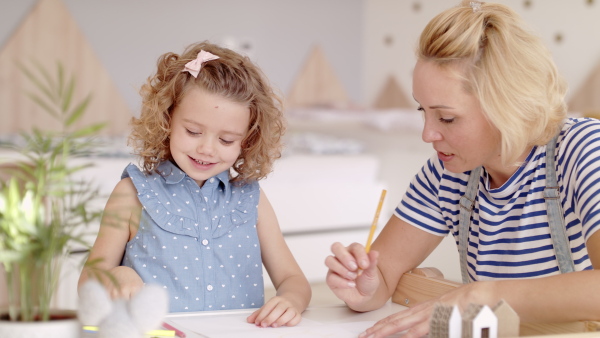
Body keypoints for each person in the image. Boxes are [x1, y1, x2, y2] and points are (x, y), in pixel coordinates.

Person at [325, 1, 600, 337]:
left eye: (447, 118)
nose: (428, 134)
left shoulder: (584, 151)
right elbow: (382, 275)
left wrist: (485, 294)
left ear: (507, 104)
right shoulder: (447, 173)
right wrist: (364, 288)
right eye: (422, 111)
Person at [79, 41, 311, 328]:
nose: (207, 149)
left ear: (247, 140)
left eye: (226, 140)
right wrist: (115, 276)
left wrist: (291, 299)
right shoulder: (132, 195)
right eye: (192, 131)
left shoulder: (252, 200)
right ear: (167, 119)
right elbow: (89, 280)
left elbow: (294, 280)